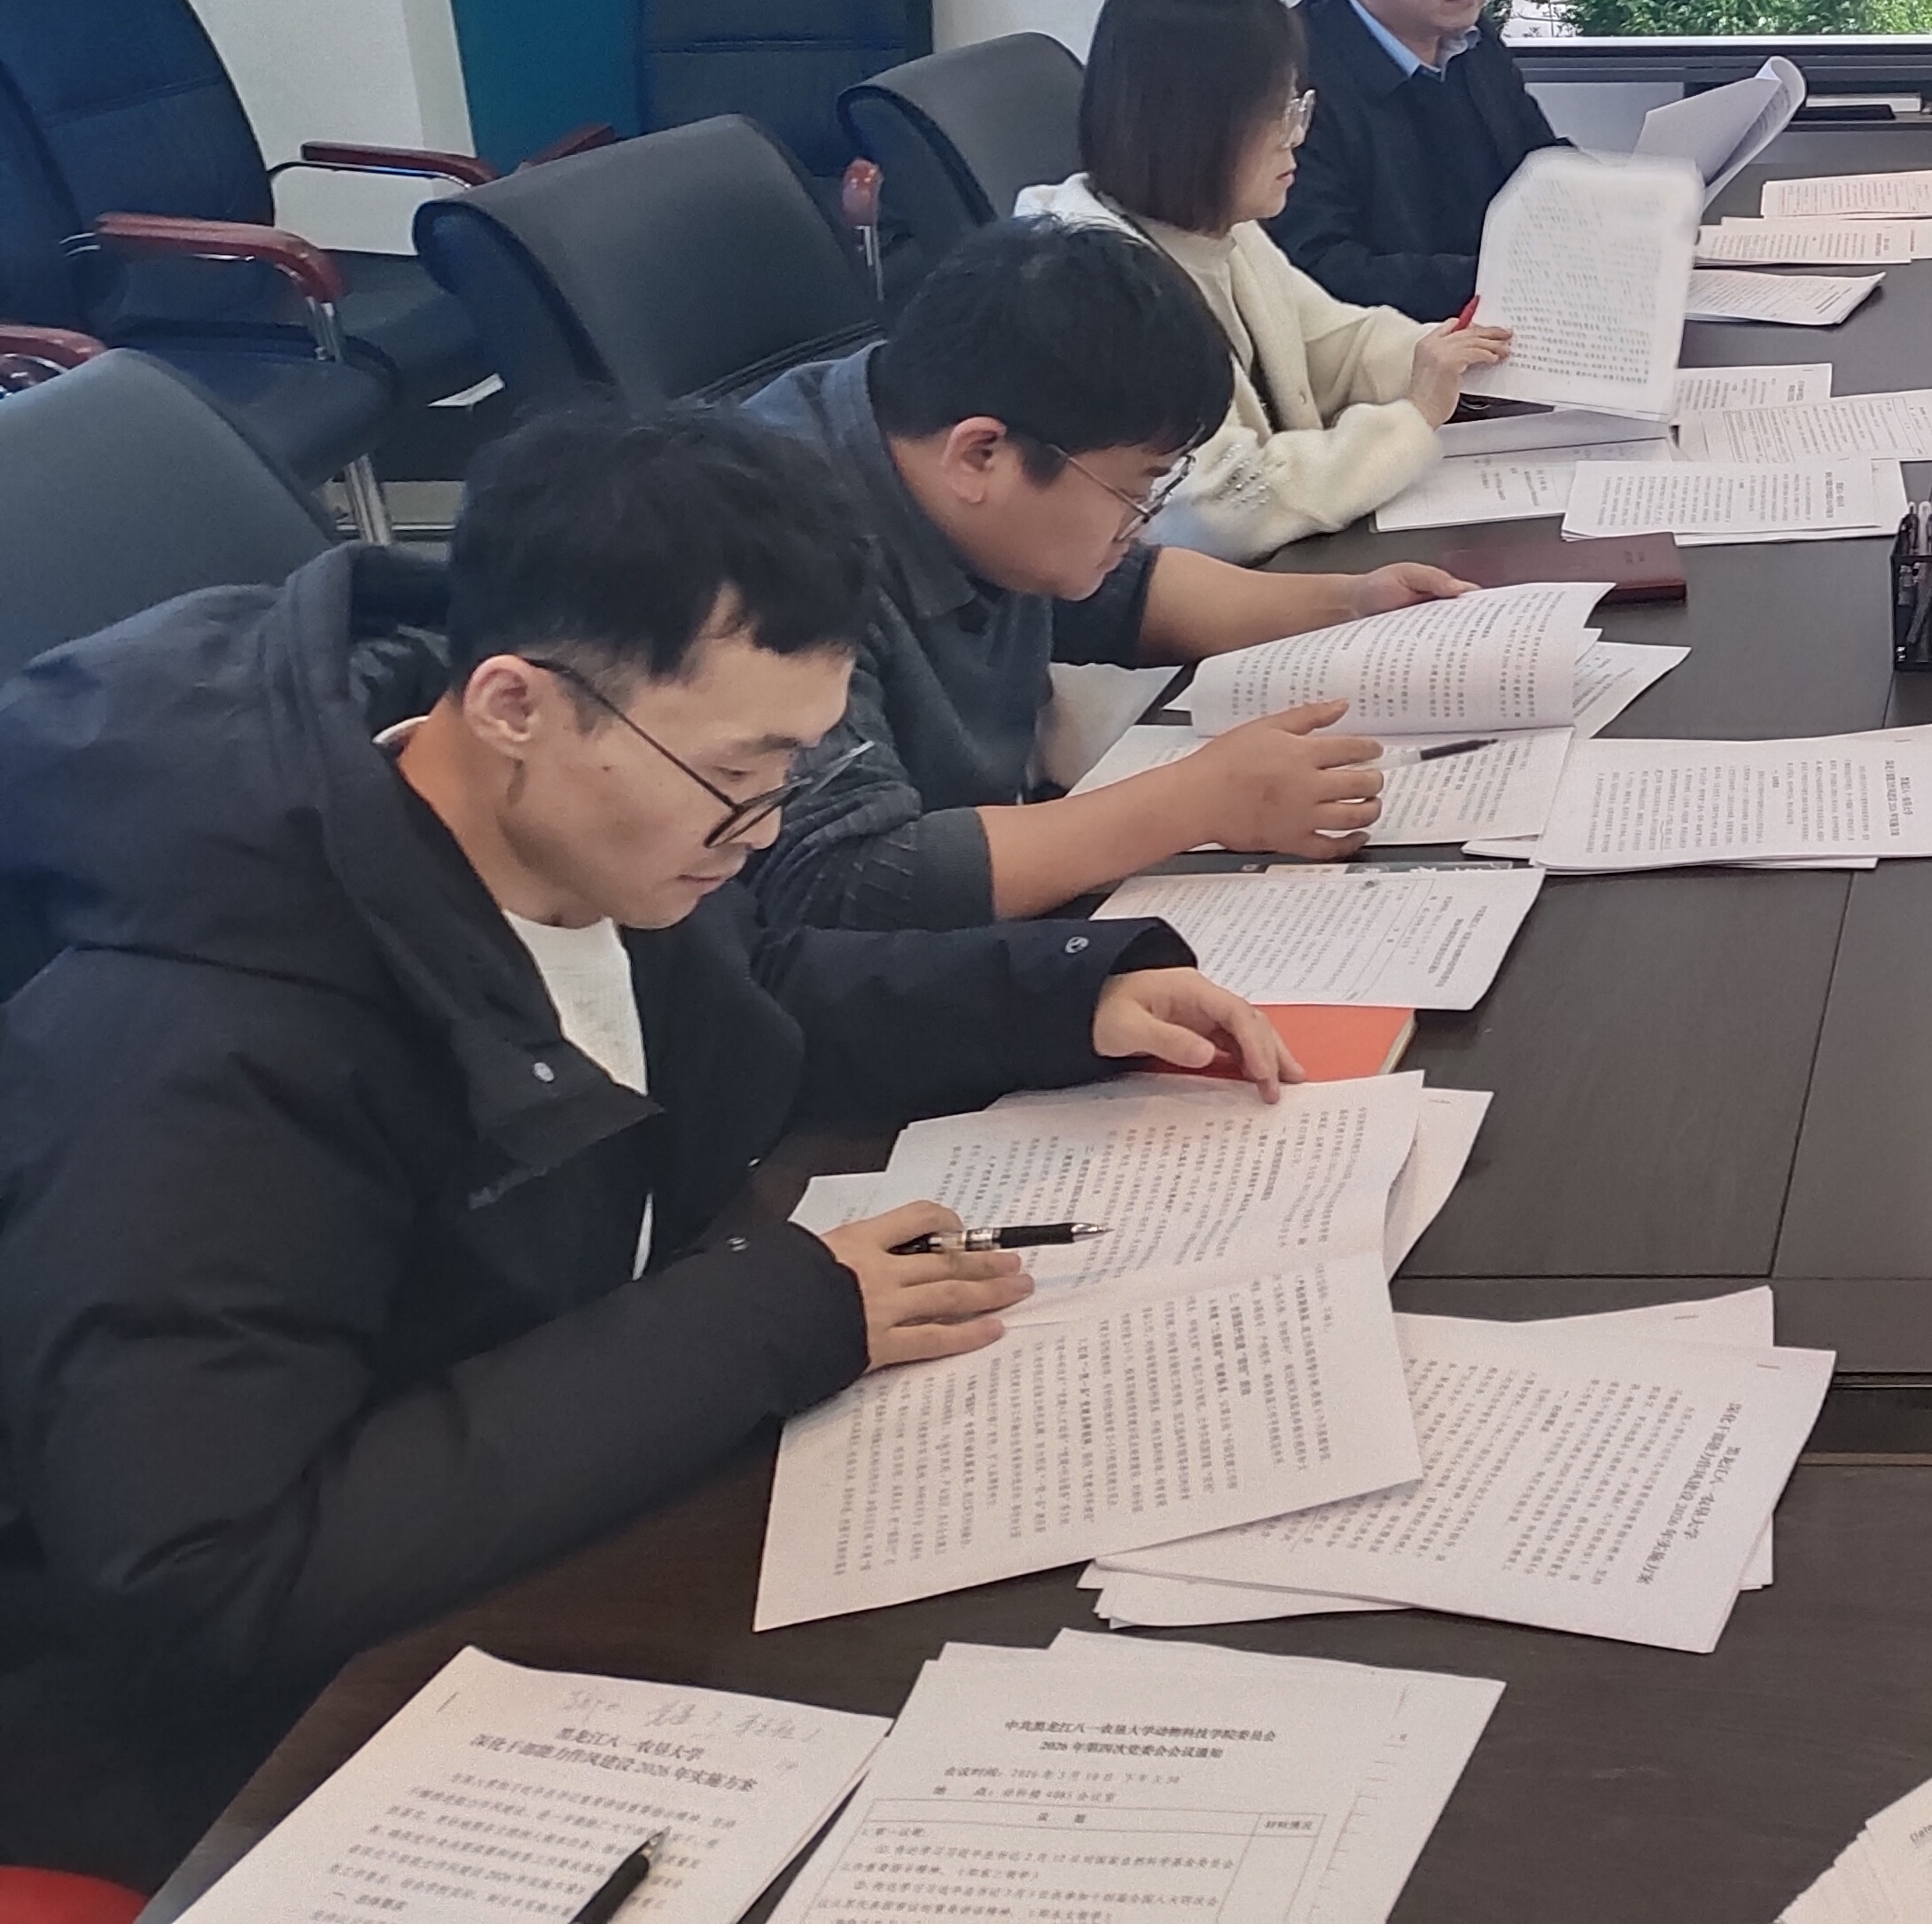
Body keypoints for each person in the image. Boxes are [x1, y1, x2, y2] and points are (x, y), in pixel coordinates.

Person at [0, 409, 1295, 1884]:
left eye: (796, 765)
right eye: (743, 774)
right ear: (514, 705)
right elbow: (207, 1577)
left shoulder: (570, 828)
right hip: (222, 1745)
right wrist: (767, 1317)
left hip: (522, 1516)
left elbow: (741, 996)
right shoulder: (204, 1051)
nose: (766, 830)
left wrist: (1064, 998)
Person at [738, 217, 1472, 929]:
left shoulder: (954, 446)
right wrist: (1195, 804)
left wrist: (1351, 603)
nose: (1143, 520)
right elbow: (842, 879)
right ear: (980, 455)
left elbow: (1121, 593)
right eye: (1134, 491)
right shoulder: (771, 552)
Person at [1016, 0, 1516, 558]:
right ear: (1196, 127)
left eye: (1297, 108)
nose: (1297, 135)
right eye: (1279, 115)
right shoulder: (1097, 286)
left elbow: (1338, 345)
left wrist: (1466, 360)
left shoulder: (1218, 230)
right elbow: (1218, 508)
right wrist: (1414, 417)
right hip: (1183, 591)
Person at [1278, 0, 1565, 316]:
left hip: (1502, 324)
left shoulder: (1473, 39)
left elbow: (1536, 165)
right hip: (1395, 349)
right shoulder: (1292, 74)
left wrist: (1627, 211)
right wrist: (1503, 275)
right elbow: (1320, 269)